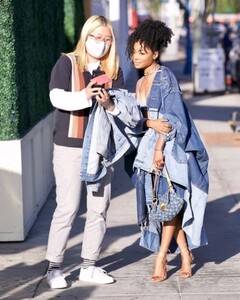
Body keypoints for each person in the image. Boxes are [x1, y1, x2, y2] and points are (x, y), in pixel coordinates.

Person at [46, 15, 141, 289]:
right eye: (97, 37)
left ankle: (89, 265)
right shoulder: (67, 63)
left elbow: (125, 110)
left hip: (102, 149)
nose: (101, 43)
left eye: (107, 39)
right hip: (69, 146)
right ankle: (54, 267)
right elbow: (56, 97)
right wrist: (85, 95)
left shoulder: (113, 70)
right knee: (67, 207)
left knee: (99, 208)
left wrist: (110, 103)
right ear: (86, 36)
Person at [126, 19, 209, 282]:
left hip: (168, 149)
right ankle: (185, 253)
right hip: (146, 151)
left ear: (155, 52)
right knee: (163, 205)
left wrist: (159, 148)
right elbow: (140, 120)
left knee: (170, 204)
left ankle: (161, 259)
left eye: (142, 51)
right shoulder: (140, 83)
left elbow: (173, 117)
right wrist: (148, 122)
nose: (136, 57)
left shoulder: (165, 77)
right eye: (134, 51)